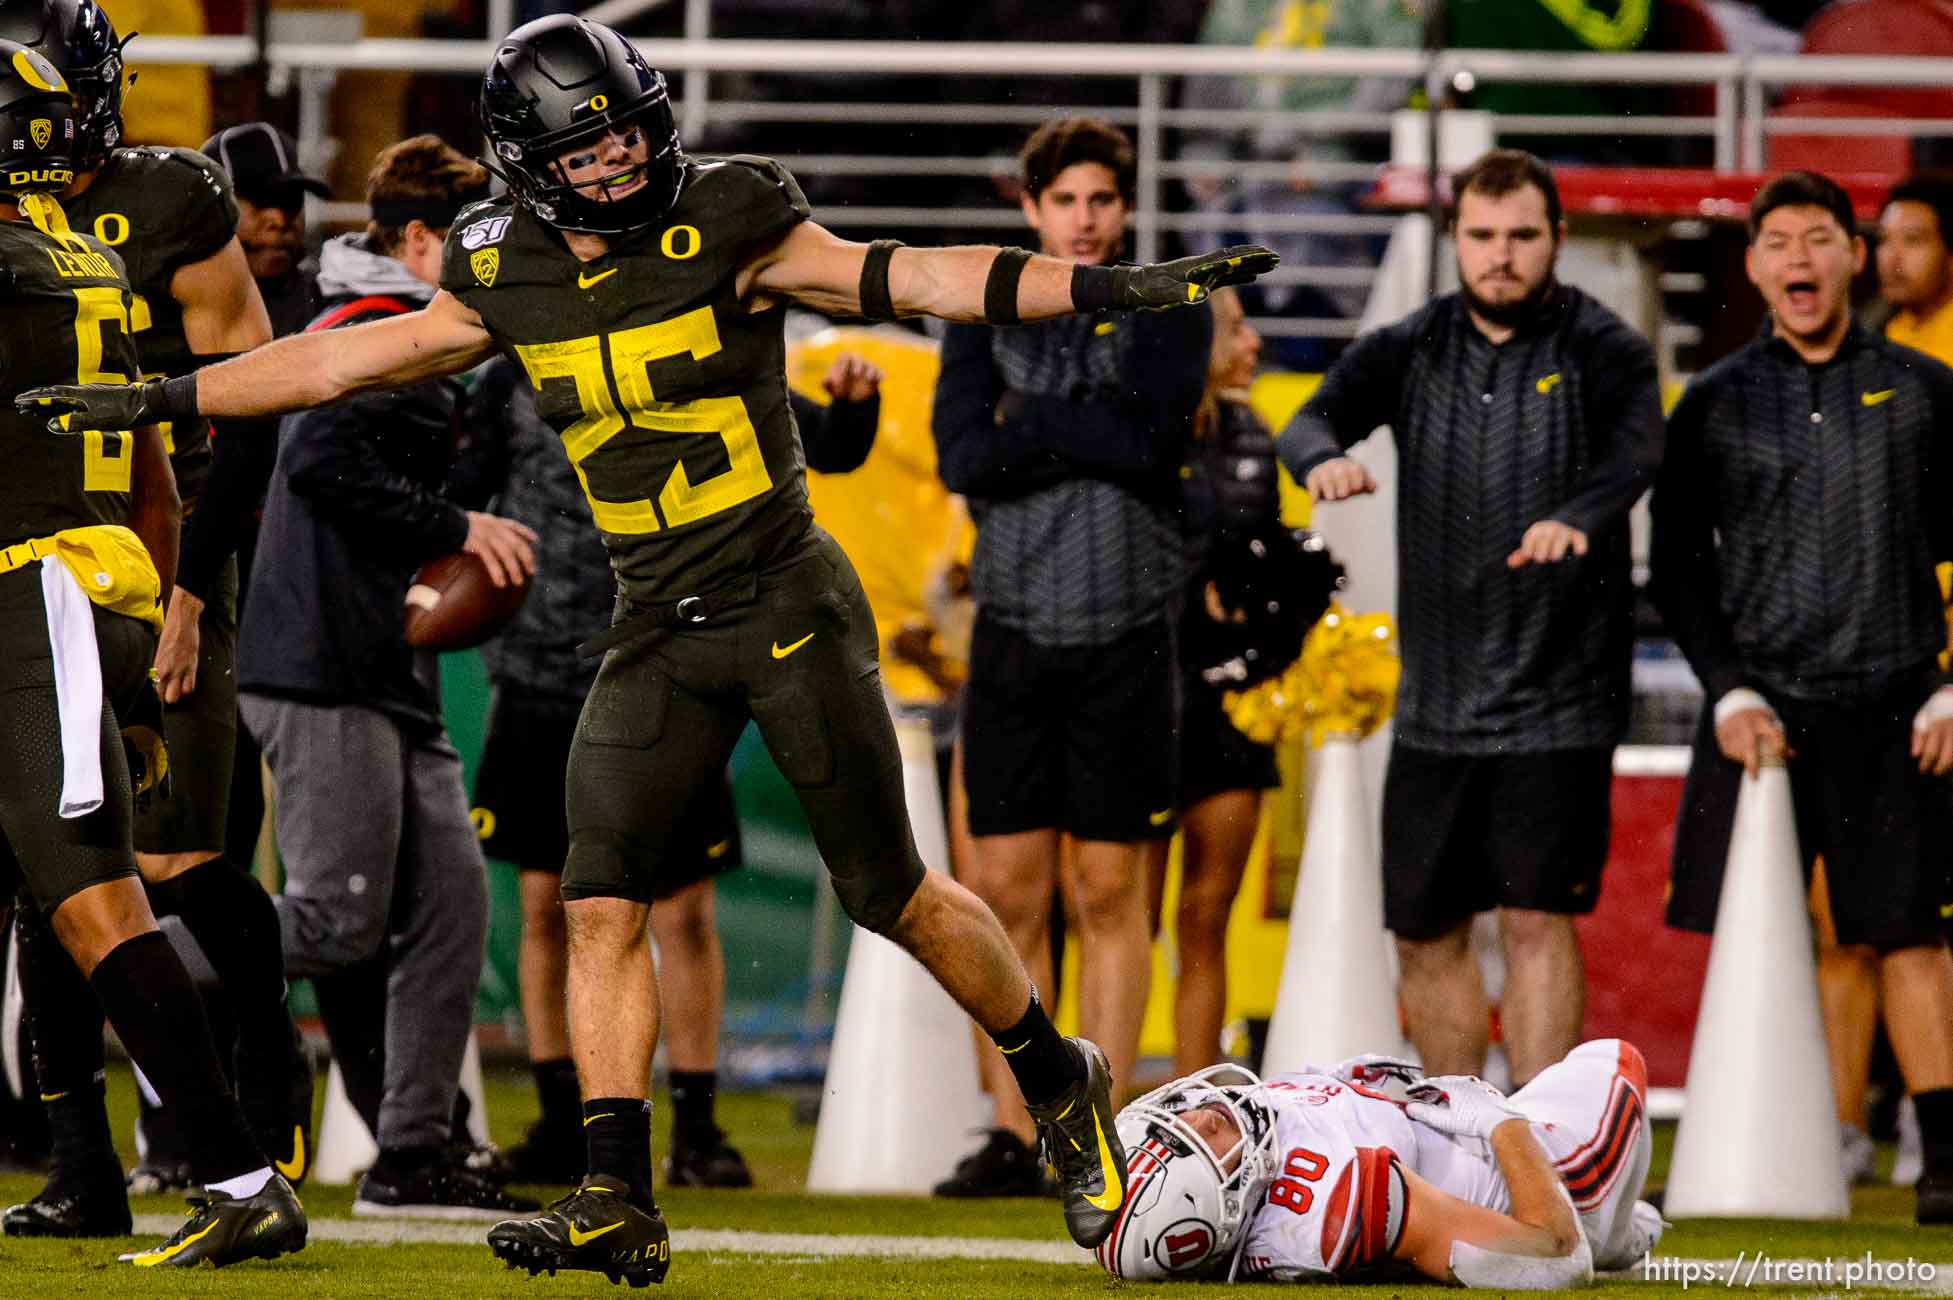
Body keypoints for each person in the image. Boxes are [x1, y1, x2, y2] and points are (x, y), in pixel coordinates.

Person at [17, 14, 1277, 1284]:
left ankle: (1057, 1076)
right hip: (653, 618)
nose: (619, 162)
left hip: (783, 598)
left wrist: (1106, 288)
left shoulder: (730, 215)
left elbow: (917, 276)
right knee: (596, 894)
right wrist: (163, 396)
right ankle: (618, 1187)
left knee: (889, 890)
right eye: (588, 146)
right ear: (524, 159)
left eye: (626, 133)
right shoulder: (500, 262)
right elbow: (349, 360)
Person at [0, 0, 311, 1231]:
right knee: (58, 887)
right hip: (100, 572)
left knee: (116, 886)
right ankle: (106, 1164)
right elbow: (151, 464)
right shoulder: (65, 252)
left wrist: (176, 602)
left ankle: (241, 1156)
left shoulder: (66, 240)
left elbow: (231, 416)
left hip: (55, 590)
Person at [1274, 149, 1665, 1087]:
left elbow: (1636, 453)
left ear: (1557, 240)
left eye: (1522, 236)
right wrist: (1319, 459)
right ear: (1455, 240)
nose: (1501, 256)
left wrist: (1577, 519)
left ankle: (1538, 1146)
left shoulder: (1605, 348)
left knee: (1535, 920)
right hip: (1436, 705)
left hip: (1559, 699)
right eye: (1482, 236)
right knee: (1423, 928)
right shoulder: (1412, 344)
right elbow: (1306, 419)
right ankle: (1462, 1129)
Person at [455, 348, 884, 1189]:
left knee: (683, 913)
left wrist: (854, 406)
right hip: (544, 672)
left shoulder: (685, 346)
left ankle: (695, 1126)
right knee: (549, 908)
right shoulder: (515, 374)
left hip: (666, 670)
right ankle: (560, 1118)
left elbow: (823, 445)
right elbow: (463, 490)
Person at [233, 133, 540, 1221]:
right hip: (322, 666)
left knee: (451, 905)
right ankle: (124, 954)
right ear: (420, 242)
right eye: (475, 243)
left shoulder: (425, 341)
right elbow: (320, 464)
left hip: (380, 665)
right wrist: (462, 522)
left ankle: (411, 1148)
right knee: (332, 921)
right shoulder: (367, 333)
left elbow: (410, 470)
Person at [1649, 169, 1953, 1226]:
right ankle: (1799, 1137)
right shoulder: (1716, 400)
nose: (1798, 260)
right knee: (1763, 930)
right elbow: (1677, 566)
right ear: (1753, 265)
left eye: (1819, 239)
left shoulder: (1925, 391)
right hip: (1764, 719)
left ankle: (1946, 1159)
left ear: (1853, 257)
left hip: (1897, 704)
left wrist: (1952, 687)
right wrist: (1727, 689)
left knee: (1910, 932)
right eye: (1777, 241)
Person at [928, 116, 1209, 1200]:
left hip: (1129, 632)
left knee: (1109, 889)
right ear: (1031, 208)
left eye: (1102, 200)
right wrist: (1090, 427)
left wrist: (1030, 421)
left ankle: (1114, 1128)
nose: (1085, 219)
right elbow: (964, 457)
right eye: (1066, 201)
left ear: (1124, 208)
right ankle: (1021, 1133)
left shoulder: (1170, 300)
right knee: (1006, 893)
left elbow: (1156, 444)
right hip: (1012, 630)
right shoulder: (980, 309)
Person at [1154, 286, 1340, 1076]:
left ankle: (1198, 1102)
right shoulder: (1135, 432)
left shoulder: (1252, 435)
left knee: (1204, 915)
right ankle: (1093, 1118)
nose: (1254, 344)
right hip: (1139, 702)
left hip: (1226, 704)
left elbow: (1259, 568)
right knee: (1120, 917)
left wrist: (1275, 614)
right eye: (1234, 329)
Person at [1094, 1042, 1663, 1284]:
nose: (1199, 1116)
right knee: (1614, 1058)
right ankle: (1611, 1225)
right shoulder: (1335, 1203)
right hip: (1545, 1179)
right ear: (1220, 1213)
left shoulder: (1248, 1153)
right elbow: (1556, 1256)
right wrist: (1499, 1120)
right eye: (1196, 1144)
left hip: (1449, 1140)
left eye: (1167, 1130)